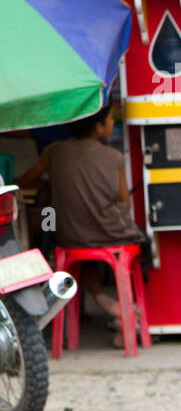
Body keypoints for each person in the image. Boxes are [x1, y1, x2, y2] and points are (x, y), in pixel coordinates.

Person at [18, 104, 149, 346]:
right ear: (98, 127)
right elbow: (125, 205)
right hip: (112, 234)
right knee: (143, 246)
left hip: (71, 236)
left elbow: (25, 180)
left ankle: (105, 302)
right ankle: (127, 310)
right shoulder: (115, 158)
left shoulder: (53, 152)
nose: (112, 123)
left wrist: (50, 185)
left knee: (80, 252)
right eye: (109, 120)